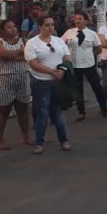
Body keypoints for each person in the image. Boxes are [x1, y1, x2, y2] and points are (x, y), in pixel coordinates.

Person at [24, 16, 72, 155]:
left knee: (57, 112)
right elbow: (34, 64)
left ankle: (64, 140)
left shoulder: (58, 41)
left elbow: (67, 57)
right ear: (40, 26)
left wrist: (62, 70)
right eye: (47, 25)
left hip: (58, 81)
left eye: (52, 25)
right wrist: (51, 71)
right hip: (41, 82)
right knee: (42, 112)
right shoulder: (32, 43)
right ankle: (39, 142)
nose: (50, 28)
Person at [0, 20, 32, 149]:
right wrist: (21, 52)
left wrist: (12, 55)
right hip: (4, 80)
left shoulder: (24, 40)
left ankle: (26, 136)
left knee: (23, 109)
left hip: (22, 78)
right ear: (2, 31)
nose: (13, 29)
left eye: (14, 26)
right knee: (3, 110)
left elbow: (29, 56)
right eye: (9, 27)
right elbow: (2, 54)